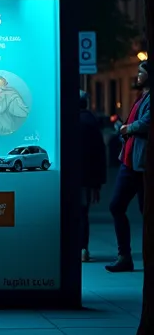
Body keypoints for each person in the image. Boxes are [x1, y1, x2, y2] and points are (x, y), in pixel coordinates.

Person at [106, 61, 149, 272]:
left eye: (142, 73)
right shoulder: (141, 98)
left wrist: (128, 127)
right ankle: (124, 255)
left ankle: (127, 257)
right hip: (129, 160)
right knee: (116, 206)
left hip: (140, 163)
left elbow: (146, 123)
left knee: (144, 210)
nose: (138, 76)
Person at [78, 91, 107, 263]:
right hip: (87, 177)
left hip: (72, 177)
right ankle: (83, 249)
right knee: (83, 213)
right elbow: (99, 153)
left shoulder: (69, 121)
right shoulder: (92, 122)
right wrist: (98, 182)